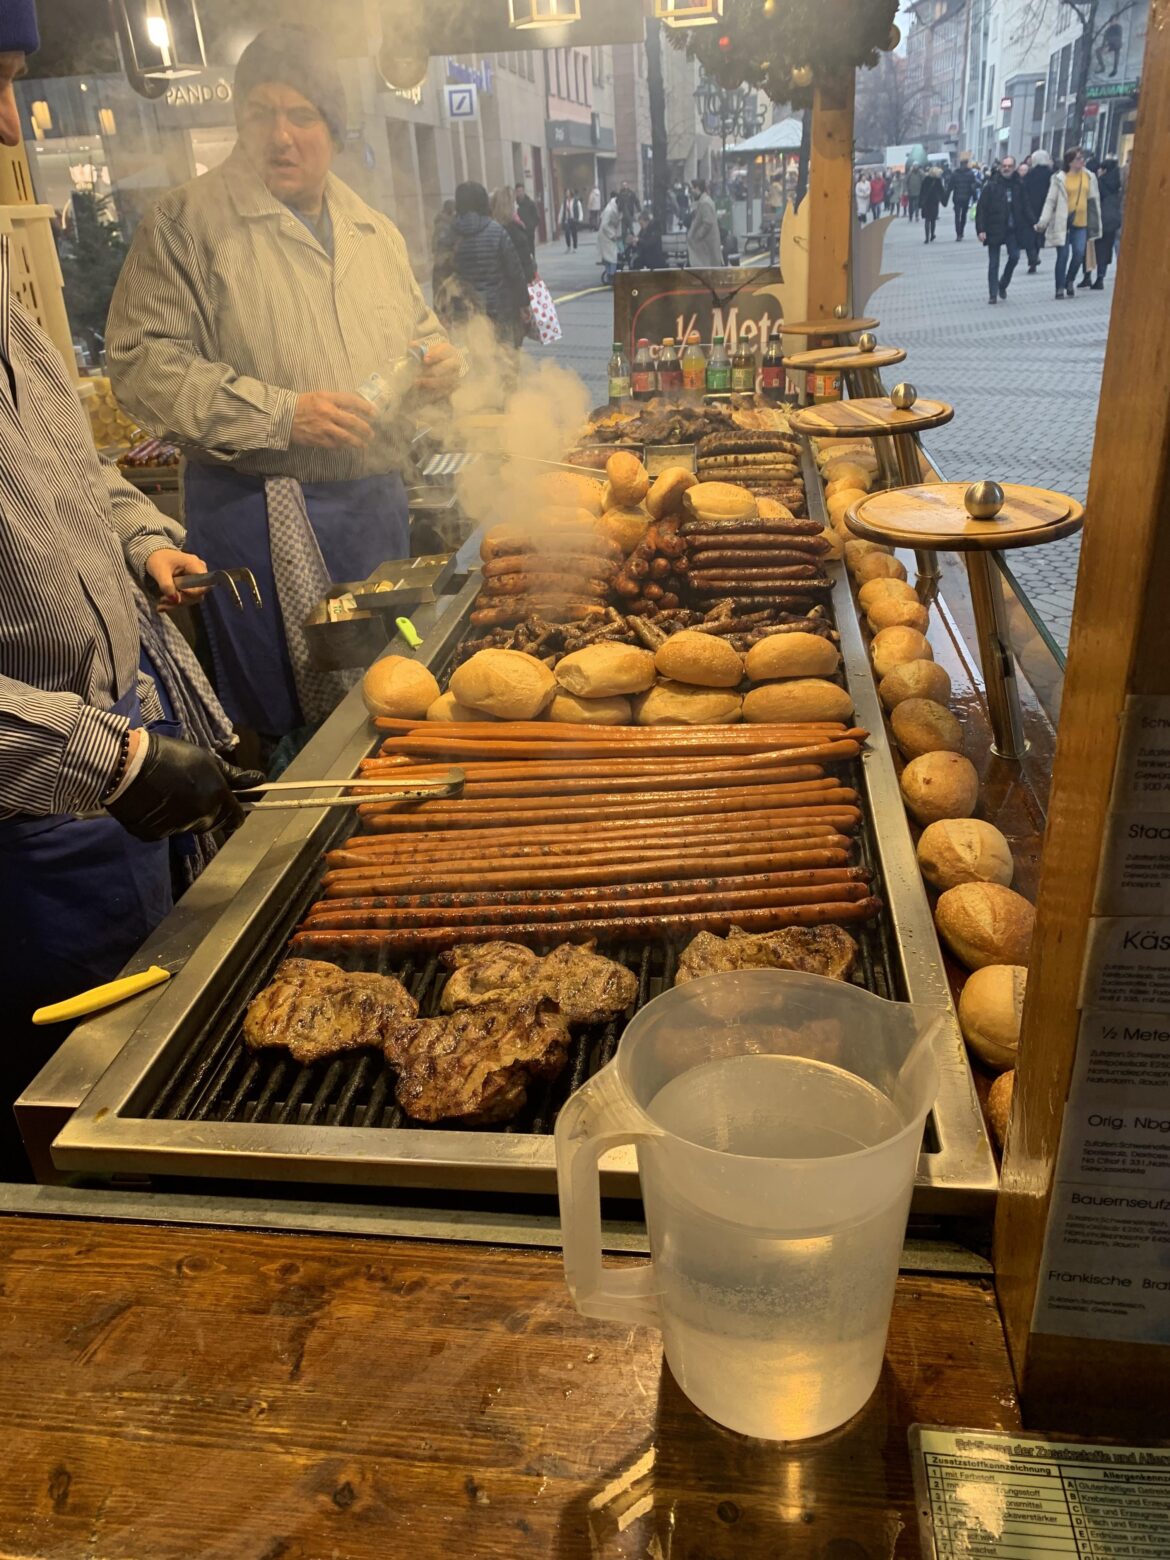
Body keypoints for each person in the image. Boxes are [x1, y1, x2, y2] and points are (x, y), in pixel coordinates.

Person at [0, 1, 265, 1166]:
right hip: (28, 831)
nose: (9, 121)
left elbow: (73, 478)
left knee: (151, 1057)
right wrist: (107, 758)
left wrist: (140, 538)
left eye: (10, 82)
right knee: (71, 1118)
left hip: (106, 779)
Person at [107, 25, 462, 749]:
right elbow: (139, 363)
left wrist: (437, 366)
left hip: (372, 512)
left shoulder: (372, 230)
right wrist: (282, 413)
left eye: (301, 115)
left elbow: (419, 333)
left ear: (332, 126)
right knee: (282, 723)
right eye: (259, 114)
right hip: (257, 517)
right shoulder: (186, 222)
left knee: (391, 703)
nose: (280, 136)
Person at [449, 181, 530, 347]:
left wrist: (443, 311)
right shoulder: (497, 232)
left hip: (464, 313)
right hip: (499, 311)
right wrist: (523, 304)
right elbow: (515, 272)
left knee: (473, 360)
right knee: (503, 359)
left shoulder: (450, 234)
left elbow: (442, 275)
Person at [1036, 145, 1101, 300]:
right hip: (1063, 222)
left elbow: (1094, 200)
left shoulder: (1089, 176)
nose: (1082, 161)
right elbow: (1050, 201)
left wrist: (1096, 221)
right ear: (1070, 161)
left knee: (1079, 254)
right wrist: (1042, 222)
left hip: (1082, 222)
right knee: (1063, 256)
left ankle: (1069, 279)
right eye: (1078, 158)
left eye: (1082, 158)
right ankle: (1059, 287)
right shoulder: (1059, 178)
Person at [975, 154, 1034, 304]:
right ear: (1001, 167)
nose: (1006, 168)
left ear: (1014, 168)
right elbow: (982, 208)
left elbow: (1026, 205)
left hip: (1012, 228)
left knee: (1014, 257)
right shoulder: (992, 184)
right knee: (994, 262)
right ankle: (993, 293)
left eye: (1009, 166)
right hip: (994, 227)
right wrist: (981, 229)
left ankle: (1003, 283)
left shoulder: (1019, 185)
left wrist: (1034, 222)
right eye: (1004, 166)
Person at [491, 185, 537, 288]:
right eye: (514, 203)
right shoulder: (515, 231)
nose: (517, 205)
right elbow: (524, 267)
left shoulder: (492, 229)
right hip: (516, 290)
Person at [1022, 149, 1053, 272]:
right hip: (1045, 207)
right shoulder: (1051, 174)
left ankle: (1032, 258)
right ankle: (1035, 257)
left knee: (1030, 234)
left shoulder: (1029, 175)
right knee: (1040, 233)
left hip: (1030, 208)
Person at [686, 178, 724, 268]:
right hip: (705, 247)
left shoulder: (705, 203)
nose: (691, 190)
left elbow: (708, 223)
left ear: (697, 188)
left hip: (706, 247)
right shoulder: (703, 201)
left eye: (692, 188)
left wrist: (697, 236)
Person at [950, 157, 977, 240]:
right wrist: (975, 197)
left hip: (957, 198)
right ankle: (961, 231)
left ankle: (958, 234)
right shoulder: (970, 173)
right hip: (966, 198)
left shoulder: (955, 173)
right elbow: (973, 187)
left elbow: (950, 186)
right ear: (966, 164)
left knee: (957, 216)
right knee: (963, 215)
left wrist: (945, 197)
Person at [598, 194, 622, 284]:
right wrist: (612, 235)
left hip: (609, 233)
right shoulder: (609, 210)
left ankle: (609, 274)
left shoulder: (615, 208)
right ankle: (611, 275)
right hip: (606, 235)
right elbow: (604, 225)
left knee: (608, 257)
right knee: (612, 257)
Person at [919, 166, 948, 242]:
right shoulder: (938, 181)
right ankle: (932, 235)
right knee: (933, 220)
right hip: (934, 202)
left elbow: (922, 191)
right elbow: (942, 192)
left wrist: (920, 202)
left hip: (926, 202)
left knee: (927, 220)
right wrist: (944, 201)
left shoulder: (925, 180)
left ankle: (926, 238)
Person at [515, 182, 540, 247]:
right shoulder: (514, 205)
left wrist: (531, 227)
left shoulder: (530, 204)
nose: (520, 193)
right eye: (518, 191)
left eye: (521, 191)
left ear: (524, 191)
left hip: (529, 233)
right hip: (518, 234)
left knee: (530, 252)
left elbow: (536, 217)